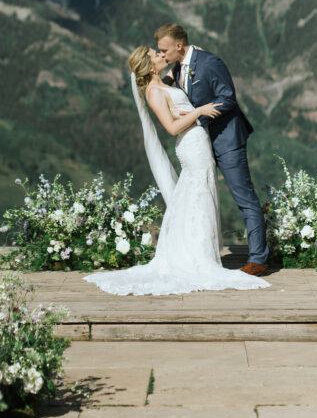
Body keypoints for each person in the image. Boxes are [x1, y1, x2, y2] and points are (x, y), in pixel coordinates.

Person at [84, 45, 269, 296]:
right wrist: (200, 111)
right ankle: (197, 257)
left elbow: (180, 68)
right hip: (192, 145)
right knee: (199, 196)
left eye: (161, 51)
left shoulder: (164, 81)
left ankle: (199, 252)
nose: (161, 55)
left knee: (198, 196)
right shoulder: (153, 92)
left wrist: (194, 55)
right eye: (156, 54)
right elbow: (171, 128)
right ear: (150, 67)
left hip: (198, 142)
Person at [155, 22, 269, 276]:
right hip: (200, 144)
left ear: (179, 45)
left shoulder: (209, 62)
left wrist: (198, 118)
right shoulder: (177, 66)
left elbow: (227, 98)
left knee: (244, 198)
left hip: (226, 138)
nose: (161, 54)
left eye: (164, 50)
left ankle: (259, 259)